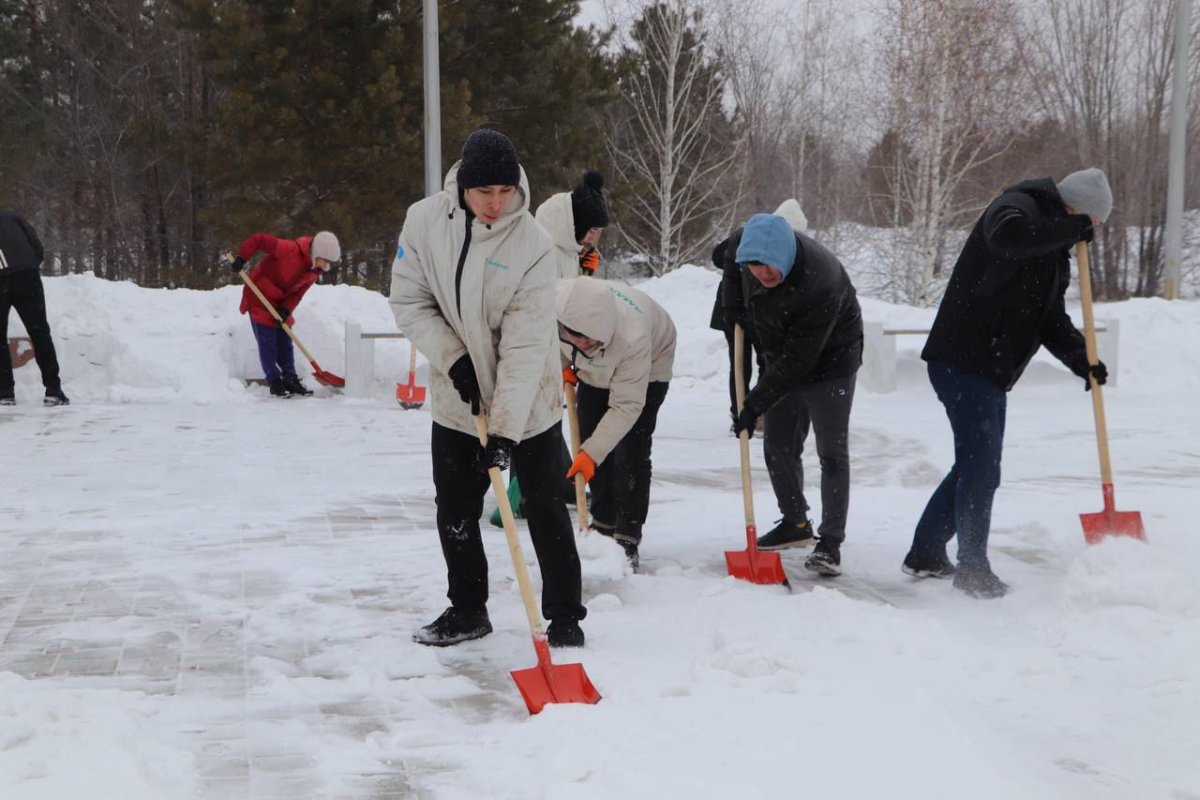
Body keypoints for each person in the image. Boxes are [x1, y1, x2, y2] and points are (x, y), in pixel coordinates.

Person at [390, 128, 587, 648]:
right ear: (463, 187)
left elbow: (525, 348)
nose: (497, 204)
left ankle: (565, 615)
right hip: (457, 401)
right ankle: (468, 609)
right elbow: (409, 301)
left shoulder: (533, 246)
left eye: (505, 192)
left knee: (544, 505)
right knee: (454, 509)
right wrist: (454, 360)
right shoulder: (424, 222)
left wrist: (504, 432)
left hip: (529, 400)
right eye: (485, 193)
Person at [903, 168, 1112, 599]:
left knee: (975, 464)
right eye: (1092, 224)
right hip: (961, 357)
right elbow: (1008, 239)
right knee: (982, 466)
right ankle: (972, 566)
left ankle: (926, 552)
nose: (1088, 234)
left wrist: (1082, 359)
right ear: (1077, 212)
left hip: (988, 368)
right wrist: (1070, 228)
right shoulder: (1017, 205)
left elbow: (1049, 319)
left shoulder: (1054, 256)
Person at [723, 213, 863, 577]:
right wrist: (733, 303)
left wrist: (755, 403)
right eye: (755, 267)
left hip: (832, 360)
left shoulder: (821, 282)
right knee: (778, 445)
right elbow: (723, 258)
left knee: (831, 451)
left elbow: (800, 361)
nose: (764, 275)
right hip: (781, 352)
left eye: (770, 267)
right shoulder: (744, 255)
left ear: (784, 256)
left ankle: (830, 544)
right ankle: (795, 521)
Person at [557, 276, 676, 571]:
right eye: (579, 338)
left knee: (630, 451)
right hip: (595, 364)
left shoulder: (632, 338)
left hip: (649, 364)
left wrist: (591, 454)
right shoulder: (553, 305)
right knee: (590, 436)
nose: (585, 343)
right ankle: (603, 520)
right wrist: (561, 365)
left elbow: (627, 405)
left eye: (592, 340)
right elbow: (541, 341)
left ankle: (627, 533)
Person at [710, 199, 808, 433]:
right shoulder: (748, 236)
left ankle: (763, 410)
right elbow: (718, 257)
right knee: (740, 364)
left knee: (769, 360)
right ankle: (739, 413)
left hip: (763, 314)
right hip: (733, 310)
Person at [229, 230, 341, 397]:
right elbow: (259, 240)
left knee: (285, 343)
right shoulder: (289, 249)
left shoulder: (313, 272)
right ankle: (274, 381)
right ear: (317, 253)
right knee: (268, 344)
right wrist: (242, 258)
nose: (325, 266)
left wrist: (286, 309)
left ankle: (290, 378)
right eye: (325, 261)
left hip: (280, 303)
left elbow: (297, 294)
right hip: (259, 297)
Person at [0, 210, 68, 406]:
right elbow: (37, 246)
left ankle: (5, 394)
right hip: (26, 276)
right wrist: (30, 266)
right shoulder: (13, 216)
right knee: (39, 332)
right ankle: (53, 390)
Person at [535, 170, 610, 278]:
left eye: (597, 232)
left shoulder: (568, 251)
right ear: (577, 224)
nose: (592, 238)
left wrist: (582, 270)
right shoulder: (543, 256)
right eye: (591, 231)